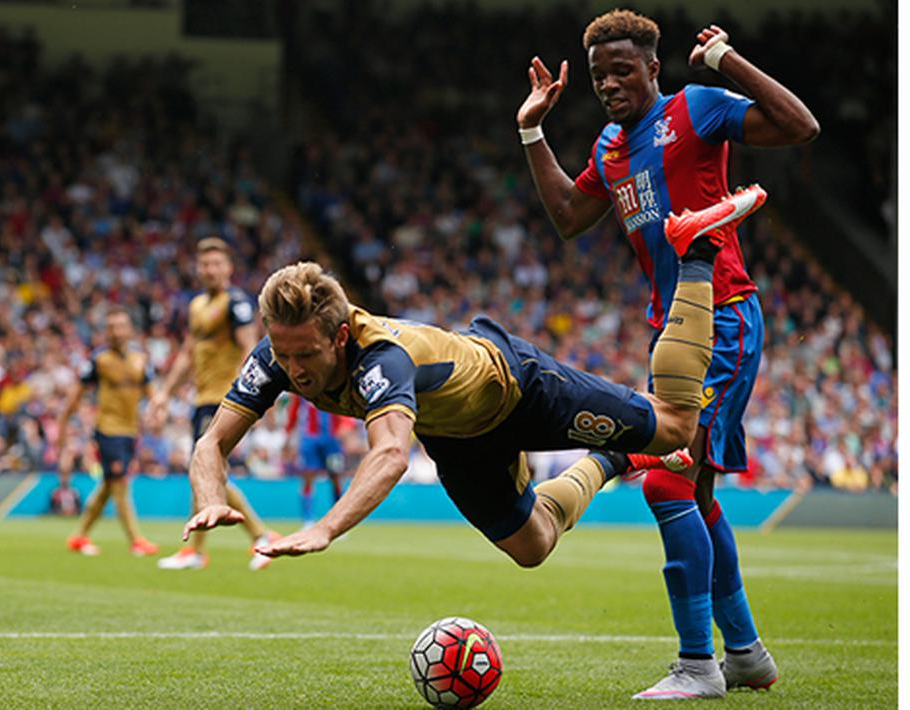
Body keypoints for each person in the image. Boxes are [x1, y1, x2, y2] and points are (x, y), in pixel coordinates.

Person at [183, 189, 759, 595]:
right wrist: (210, 498)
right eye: (282, 354)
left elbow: (388, 454)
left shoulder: (382, 357)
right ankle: (610, 460)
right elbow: (211, 444)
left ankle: (695, 254)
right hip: (458, 438)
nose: (293, 369)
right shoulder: (276, 356)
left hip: (517, 385)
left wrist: (325, 527)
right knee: (533, 548)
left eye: (305, 355)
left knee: (679, 426)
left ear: (338, 335)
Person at [516, 9, 818, 698]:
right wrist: (531, 128)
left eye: (622, 70)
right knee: (698, 494)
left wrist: (726, 60)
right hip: (669, 330)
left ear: (653, 67)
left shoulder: (696, 108)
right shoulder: (608, 148)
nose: (609, 84)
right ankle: (742, 656)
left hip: (723, 318)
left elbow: (800, 127)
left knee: (663, 480)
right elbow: (567, 217)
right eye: (598, 76)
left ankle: (697, 665)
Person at [146, 237, 278, 570]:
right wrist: (163, 393)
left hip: (226, 397)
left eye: (217, 263)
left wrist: (253, 395)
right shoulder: (195, 306)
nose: (210, 269)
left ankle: (259, 535)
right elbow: (187, 354)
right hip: (202, 398)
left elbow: (251, 349)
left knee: (206, 467)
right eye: (205, 264)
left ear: (229, 268)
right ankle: (200, 549)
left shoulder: (236, 303)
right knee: (204, 469)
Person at [56, 307, 159, 557]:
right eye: (111, 327)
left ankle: (79, 536)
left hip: (130, 431)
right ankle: (136, 540)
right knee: (120, 483)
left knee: (107, 486)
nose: (116, 332)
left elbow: (153, 394)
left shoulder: (140, 360)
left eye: (120, 326)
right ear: (106, 332)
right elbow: (76, 395)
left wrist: (157, 414)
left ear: (129, 330)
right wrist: (62, 424)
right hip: (107, 429)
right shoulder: (98, 361)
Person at [284, 396, 352, 529]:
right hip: (310, 440)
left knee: (336, 478)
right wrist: (288, 435)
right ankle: (308, 520)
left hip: (332, 440)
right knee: (308, 477)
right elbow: (294, 411)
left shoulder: (333, 382)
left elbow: (346, 406)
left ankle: (338, 521)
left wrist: (346, 426)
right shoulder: (301, 387)